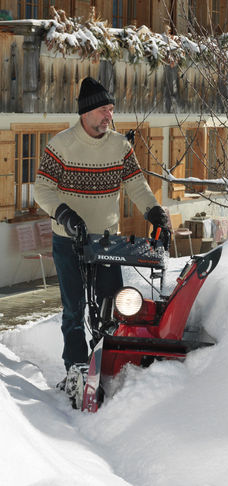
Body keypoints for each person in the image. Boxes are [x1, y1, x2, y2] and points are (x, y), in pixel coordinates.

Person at [33, 77, 171, 390]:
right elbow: (42, 189)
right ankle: (76, 368)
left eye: (111, 109)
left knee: (112, 304)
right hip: (69, 240)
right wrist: (65, 214)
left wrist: (154, 211)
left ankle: (108, 360)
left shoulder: (120, 146)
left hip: (108, 243)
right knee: (73, 308)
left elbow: (136, 185)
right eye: (103, 110)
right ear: (86, 113)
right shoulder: (61, 145)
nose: (109, 115)